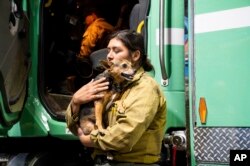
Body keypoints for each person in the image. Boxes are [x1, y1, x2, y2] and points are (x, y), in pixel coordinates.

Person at [65, 30, 167, 165]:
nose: (109, 56)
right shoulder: (108, 83)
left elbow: (125, 136)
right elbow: (79, 128)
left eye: (117, 50)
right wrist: (76, 102)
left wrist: (90, 140)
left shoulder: (145, 88)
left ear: (135, 55)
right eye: (109, 50)